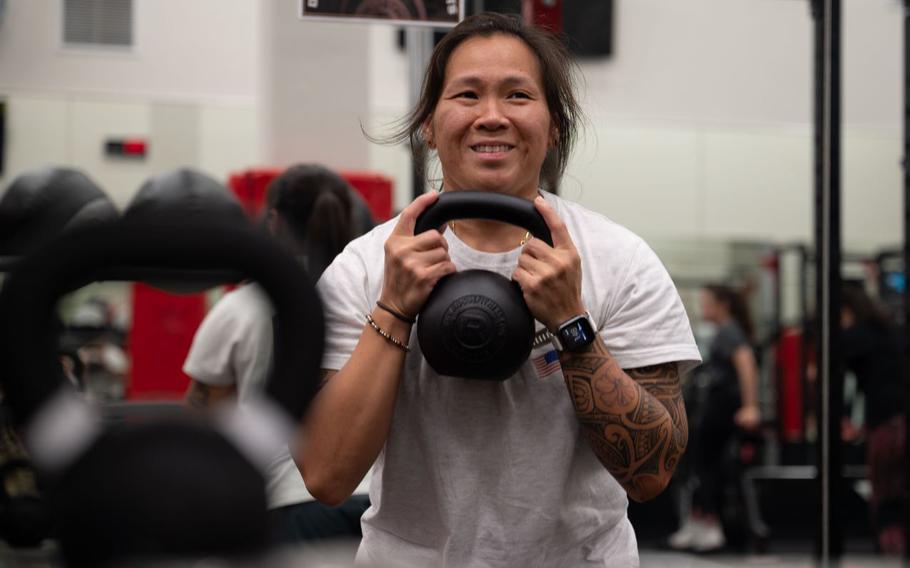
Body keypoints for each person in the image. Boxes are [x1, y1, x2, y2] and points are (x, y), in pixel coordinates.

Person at [299, 13, 701, 567]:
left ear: (554, 125)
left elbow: (651, 473)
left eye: (517, 95)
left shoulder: (620, 261)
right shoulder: (365, 268)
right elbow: (326, 475)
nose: (491, 117)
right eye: (467, 94)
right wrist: (393, 309)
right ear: (428, 125)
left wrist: (572, 323)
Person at [183, 164, 372, 545]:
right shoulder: (371, 297)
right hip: (372, 499)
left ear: (273, 221)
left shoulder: (243, 305)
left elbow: (207, 413)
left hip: (294, 502)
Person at [669, 284, 761, 553]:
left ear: (723, 304)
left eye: (707, 302)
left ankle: (711, 524)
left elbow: (747, 365)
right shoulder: (721, 333)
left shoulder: (731, 332)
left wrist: (751, 406)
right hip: (712, 409)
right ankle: (698, 521)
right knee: (699, 465)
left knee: (710, 467)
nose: (703, 307)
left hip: (724, 410)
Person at [840, 285, 906, 555]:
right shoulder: (886, 331)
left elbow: (827, 373)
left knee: (887, 497)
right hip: (897, 419)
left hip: (888, 426)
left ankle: (892, 555)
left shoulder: (856, 336)